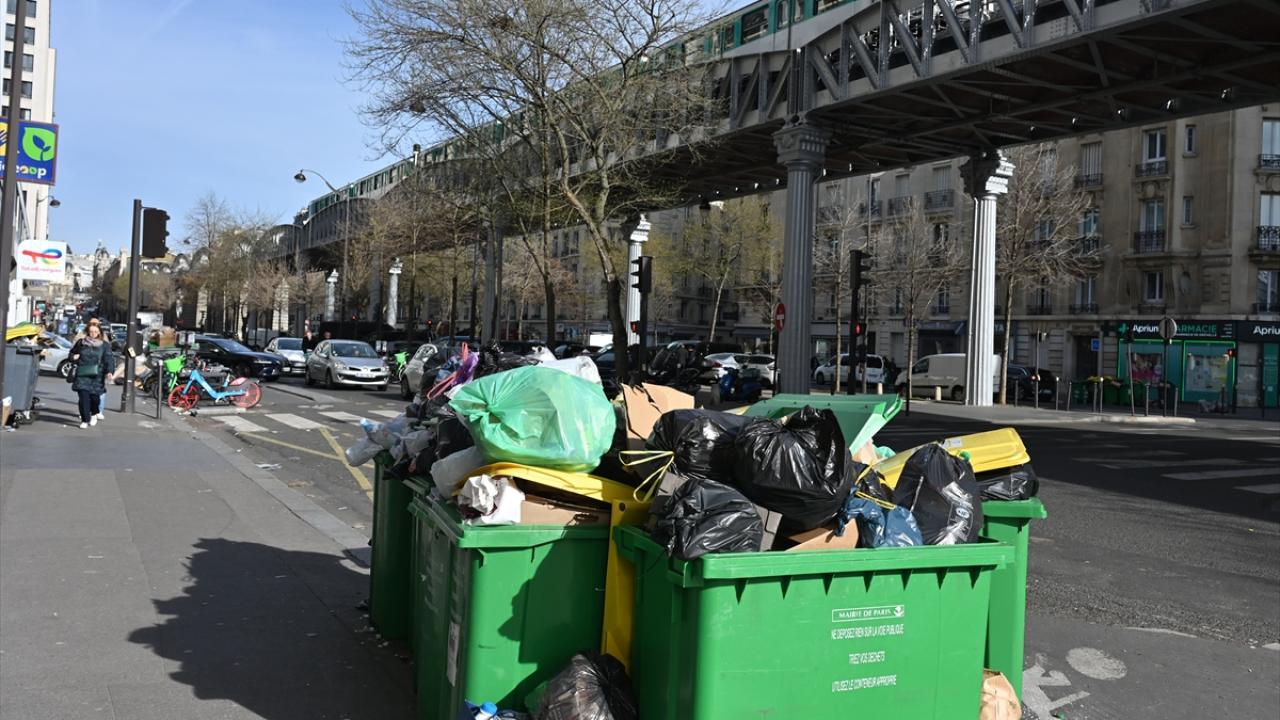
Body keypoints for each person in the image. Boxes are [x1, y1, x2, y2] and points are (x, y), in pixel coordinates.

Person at [69, 323, 114, 429]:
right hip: (82, 373)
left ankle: (94, 413)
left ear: (99, 332)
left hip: (97, 375)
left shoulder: (104, 345)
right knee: (83, 397)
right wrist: (73, 357)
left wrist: (110, 371)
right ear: (87, 332)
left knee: (94, 398)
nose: (93, 334)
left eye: (95, 332)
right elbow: (71, 354)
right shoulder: (81, 343)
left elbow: (109, 359)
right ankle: (85, 420)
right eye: (91, 331)